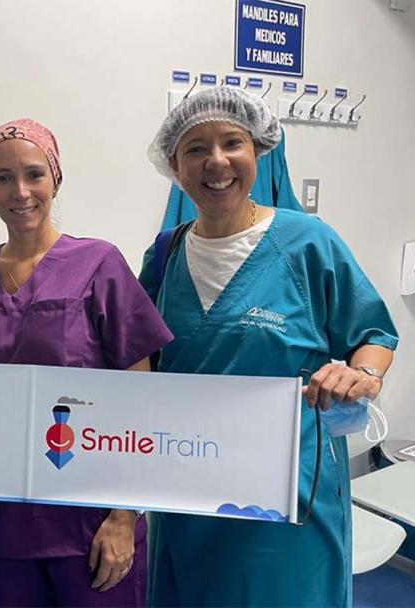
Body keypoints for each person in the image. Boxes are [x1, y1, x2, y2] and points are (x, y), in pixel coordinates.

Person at [140, 86, 398, 607]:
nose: (216, 162)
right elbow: (137, 361)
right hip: (187, 494)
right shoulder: (164, 255)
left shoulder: (307, 243)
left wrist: (362, 376)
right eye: (196, 148)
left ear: (258, 148)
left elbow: (373, 335)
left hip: (288, 497)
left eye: (231, 142)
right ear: (174, 163)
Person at [0, 118, 173, 607]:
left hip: (93, 522)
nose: (20, 191)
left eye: (34, 174)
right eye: (2, 178)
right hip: (3, 518)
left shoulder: (99, 264)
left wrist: (125, 515)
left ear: (55, 178)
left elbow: (142, 399)